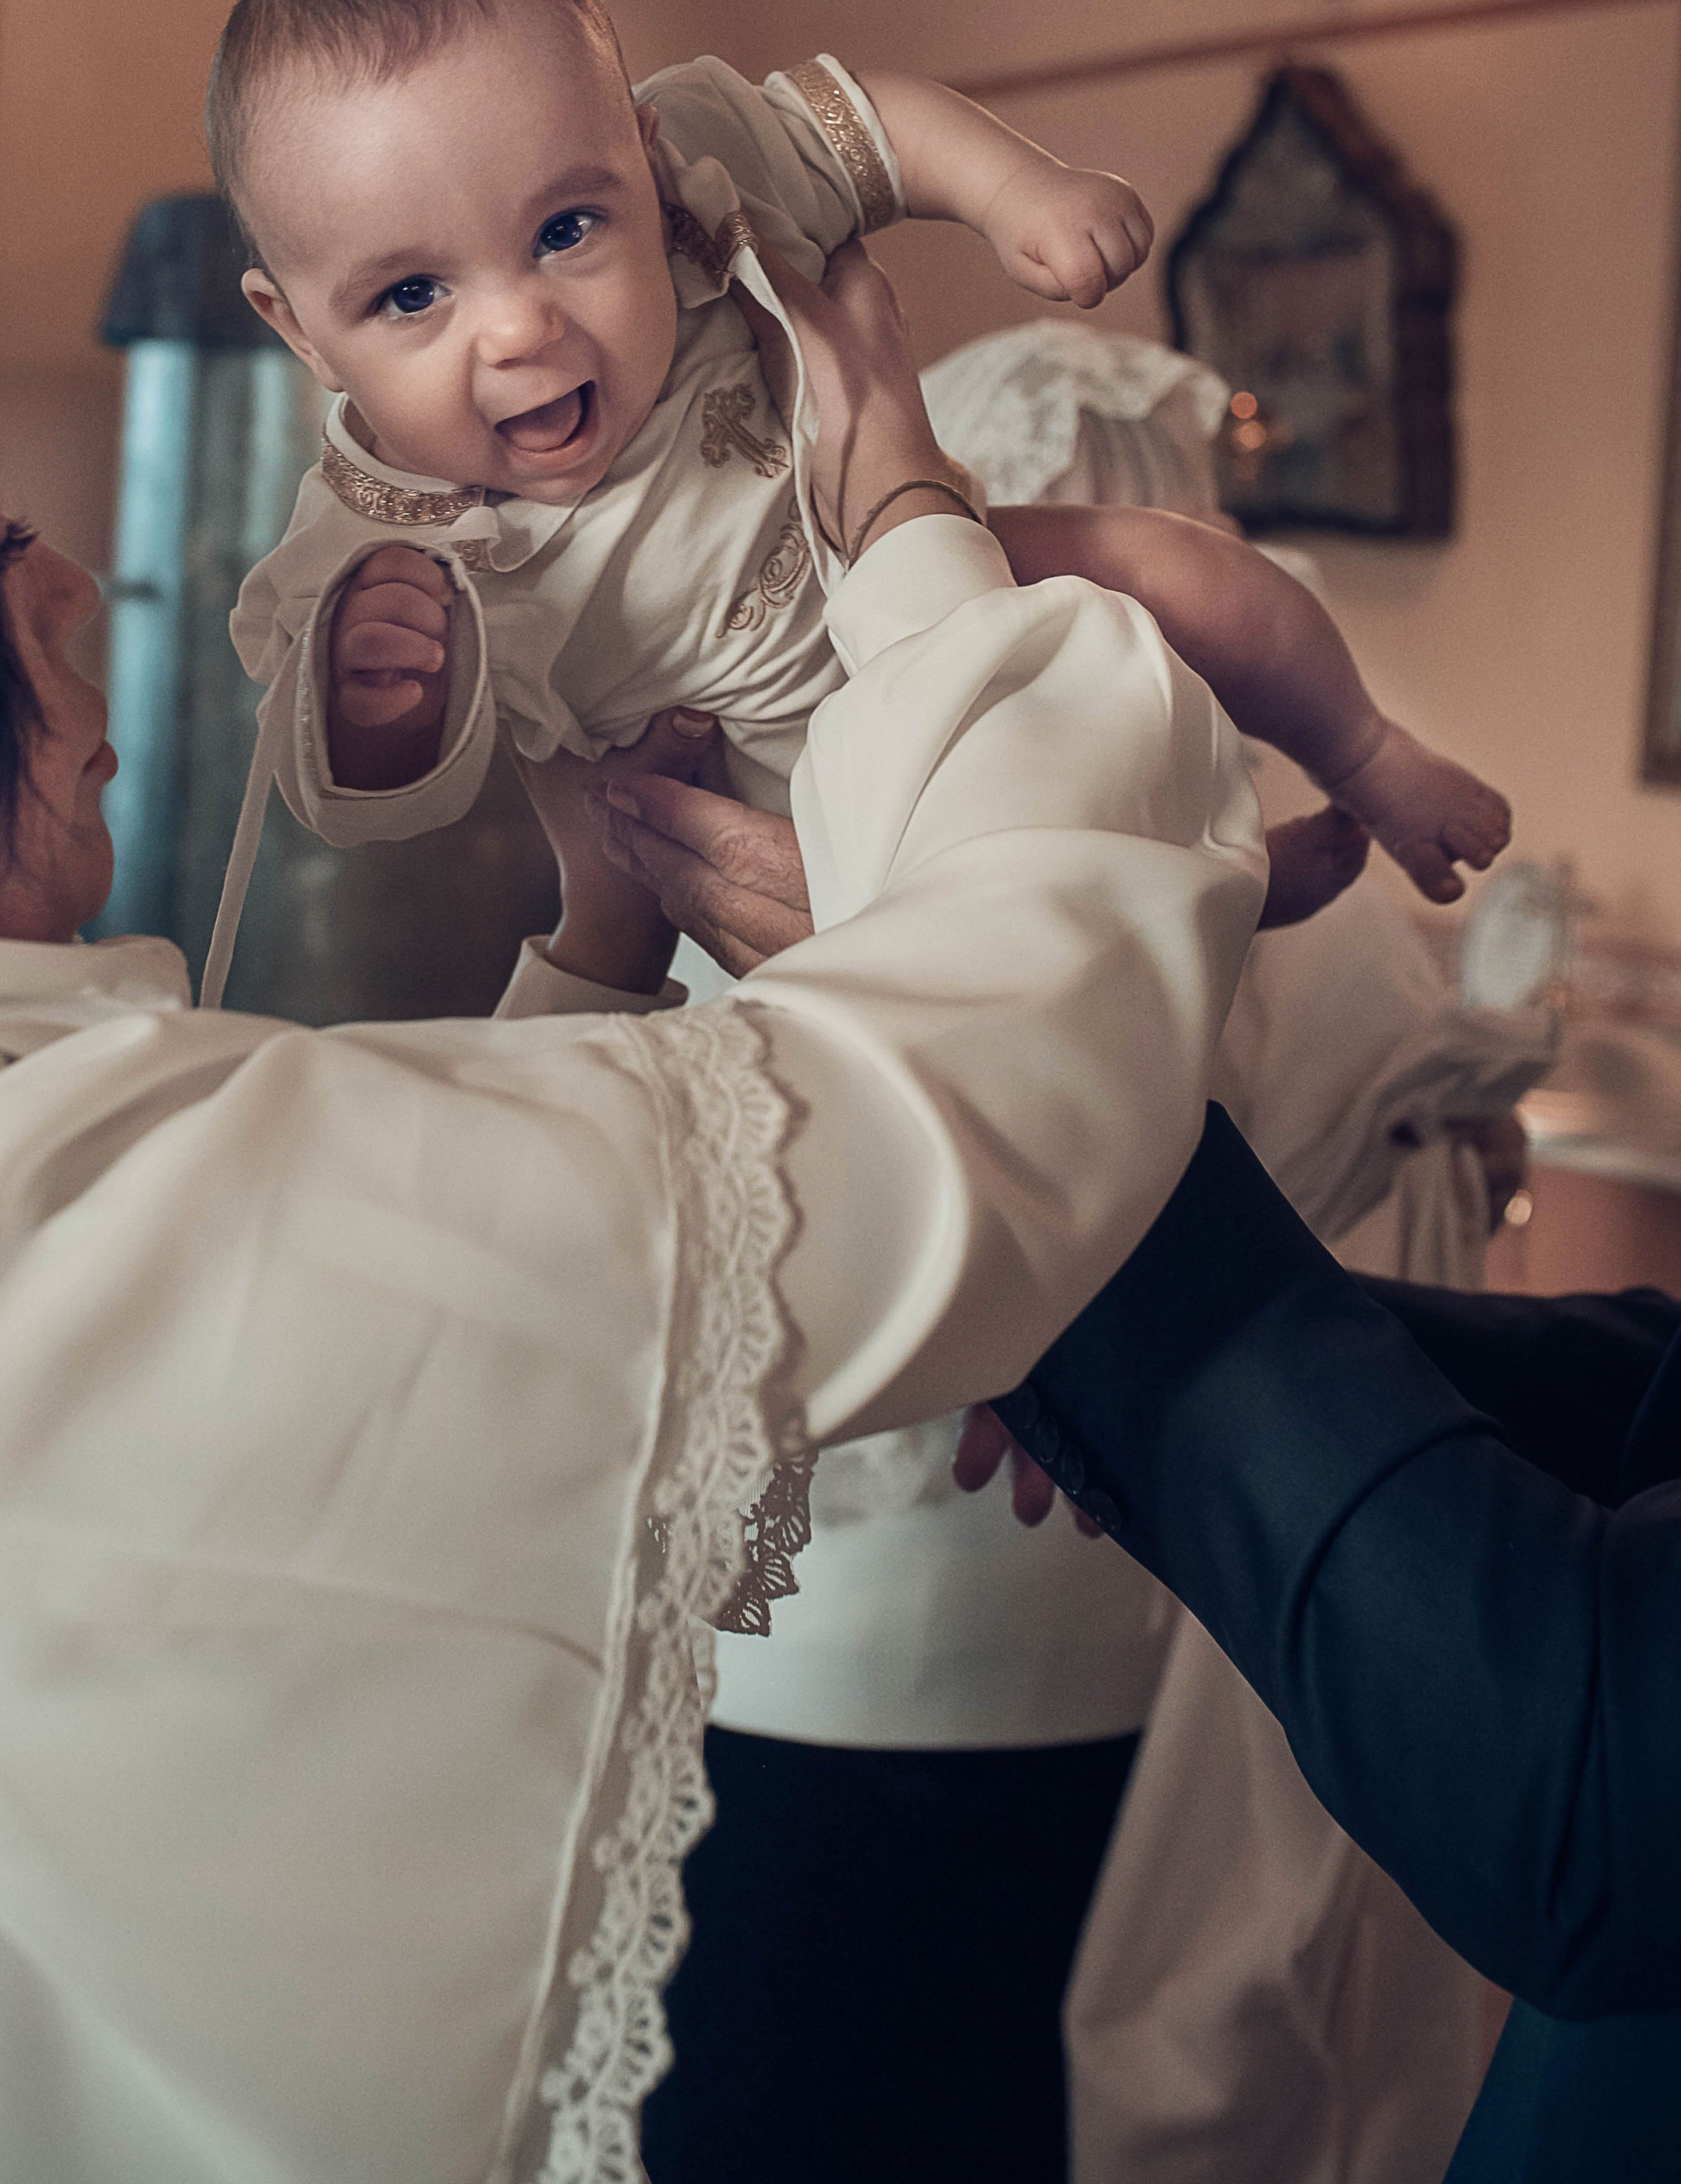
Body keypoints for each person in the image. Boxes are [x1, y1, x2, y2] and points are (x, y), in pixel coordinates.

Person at [0, 160, 1263, 2182]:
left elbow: (412, 1329)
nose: (67, 579)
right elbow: (979, 1107)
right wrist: (901, 517)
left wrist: (598, 940)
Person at [614, 326, 1551, 2183]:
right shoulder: (1212, 847)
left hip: (850, 1642)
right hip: (1112, 1617)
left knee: (804, 2079)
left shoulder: (793, 753)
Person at [211, 0, 1507, 1009]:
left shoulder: (700, 174)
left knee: (1188, 574)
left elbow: (868, 129)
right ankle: (1200, 892)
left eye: (564, 229)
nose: (518, 327)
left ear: (645, 163)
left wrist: (1016, 190)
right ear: (303, 332)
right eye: (410, 298)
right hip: (726, 761)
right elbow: (355, 803)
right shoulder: (380, 527)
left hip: (908, 554)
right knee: (923, 913)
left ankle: (1367, 755)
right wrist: (381, 709)